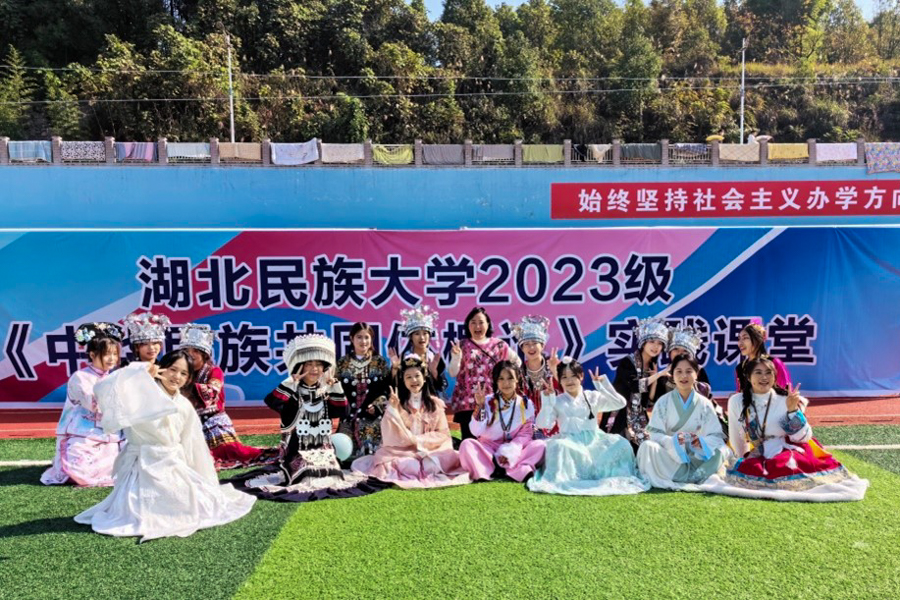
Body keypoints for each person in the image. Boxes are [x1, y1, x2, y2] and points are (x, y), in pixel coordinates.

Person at [74, 350, 256, 541]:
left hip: (173, 467)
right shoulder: (140, 394)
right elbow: (105, 387)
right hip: (140, 469)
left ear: (189, 379)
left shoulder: (184, 405)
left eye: (183, 373)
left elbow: (192, 444)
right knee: (136, 513)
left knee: (197, 506)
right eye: (172, 369)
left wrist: (198, 476)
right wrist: (140, 371)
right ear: (161, 369)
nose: (176, 377)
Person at [231, 334, 386, 501]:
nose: (314, 369)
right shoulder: (293, 392)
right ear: (300, 367)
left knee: (332, 473)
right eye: (309, 364)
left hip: (324, 448)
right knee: (308, 473)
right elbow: (272, 402)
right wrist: (291, 381)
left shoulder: (325, 392)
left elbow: (343, 412)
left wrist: (335, 386)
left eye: (318, 365)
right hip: (298, 450)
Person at [700, 357, 868, 501]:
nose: (764, 377)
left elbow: (802, 437)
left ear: (775, 376)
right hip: (759, 451)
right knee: (743, 470)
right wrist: (740, 460)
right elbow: (737, 435)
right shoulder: (737, 401)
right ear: (748, 377)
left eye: (768, 373)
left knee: (783, 466)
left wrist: (792, 411)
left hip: (788, 449)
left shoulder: (785, 399)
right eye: (758, 372)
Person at [527, 358, 649, 496]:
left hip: (594, 440)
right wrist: (547, 401)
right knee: (559, 446)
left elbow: (620, 403)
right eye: (564, 377)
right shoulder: (558, 401)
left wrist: (602, 385)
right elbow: (543, 424)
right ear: (559, 380)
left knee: (622, 444)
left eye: (573, 376)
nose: (569, 381)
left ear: (581, 376)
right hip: (569, 441)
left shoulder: (592, 396)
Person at [352, 355, 470, 489]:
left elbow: (443, 434)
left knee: (431, 464)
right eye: (408, 377)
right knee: (409, 465)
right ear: (403, 381)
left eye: (417, 376)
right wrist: (393, 409)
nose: (414, 380)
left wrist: (419, 441)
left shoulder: (435, 404)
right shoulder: (399, 403)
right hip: (404, 451)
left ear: (424, 378)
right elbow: (390, 433)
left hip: (431, 450)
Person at [178, 323, 277, 470]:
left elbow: (212, 393)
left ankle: (268, 454)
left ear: (204, 354)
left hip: (213, 422)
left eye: (195, 351)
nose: (190, 354)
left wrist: (187, 384)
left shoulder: (214, 371)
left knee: (229, 451)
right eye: (186, 351)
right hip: (190, 422)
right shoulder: (180, 372)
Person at [41, 322, 125, 487]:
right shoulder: (80, 377)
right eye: (107, 354)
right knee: (80, 471)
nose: (112, 359)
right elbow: (94, 404)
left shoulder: (114, 376)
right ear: (92, 355)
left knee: (123, 465)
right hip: (82, 434)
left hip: (110, 435)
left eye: (115, 354)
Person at [636, 354, 729, 491]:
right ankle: (682, 476)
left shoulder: (704, 403)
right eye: (679, 371)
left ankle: (695, 476)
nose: (683, 376)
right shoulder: (663, 402)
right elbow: (654, 433)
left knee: (722, 449)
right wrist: (673, 441)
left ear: (696, 374)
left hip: (695, 455)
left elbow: (715, 435)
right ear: (672, 375)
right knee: (647, 446)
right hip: (670, 456)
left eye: (688, 371)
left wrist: (701, 442)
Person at [459, 361, 546, 482]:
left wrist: (511, 450)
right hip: (488, 449)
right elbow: (475, 432)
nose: (506, 383)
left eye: (510, 378)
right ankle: (492, 468)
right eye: (501, 379)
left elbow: (526, 434)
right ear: (496, 381)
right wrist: (480, 406)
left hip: (515, 449)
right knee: (467, 444)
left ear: (517, 379)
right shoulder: (487, 401)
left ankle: (511, 468)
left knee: (540, 445)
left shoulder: (526, 404)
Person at [448, 307, 520, 441]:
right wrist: (456, 357)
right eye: (473, 322)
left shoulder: (499, 345)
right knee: (470, 441)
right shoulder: (461, 345)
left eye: (481, 322)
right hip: (467, 402)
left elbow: (517, 363)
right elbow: (452, 372)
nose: (477, 326)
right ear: (468, 325)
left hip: (493, 401)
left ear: (488, 324)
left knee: (491, 440)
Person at [605, 317, 670, 450]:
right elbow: (635, 386)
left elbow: (650, 401)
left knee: (650, 448)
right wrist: (659, 374)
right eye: (652, 341)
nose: (655, 347)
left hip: (640, 417)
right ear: (643, 343)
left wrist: (655, 380)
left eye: (659, 343)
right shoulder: (627, 362)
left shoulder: (652, 366)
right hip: (620, 415)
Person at [335, 322, 392, 460]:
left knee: (372, 454)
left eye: (367, 337)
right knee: (343, 454)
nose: (363, 341)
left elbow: (387, 389)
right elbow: (337, 390)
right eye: (359, 337)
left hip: (372, 417)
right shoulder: (342, 363)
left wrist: (377, 406)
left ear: (371, 339)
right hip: (348, 417)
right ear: (351, 338)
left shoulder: (379, 362)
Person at [512, 315, 561, 438]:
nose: (531, 347)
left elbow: (569, 392)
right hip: (526, 427)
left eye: (535, 343)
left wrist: (556, 371)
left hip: (555, 424)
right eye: (526, 344)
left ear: (542, 345)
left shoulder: (553, 366)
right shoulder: (518, 372)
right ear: (522, 348)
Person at [390, 305, 447, 395]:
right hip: (408, 400)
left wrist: (434, 373)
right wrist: (395, 369)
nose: (422, 337)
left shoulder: (435, 359)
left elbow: (442, 387)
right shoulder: (404, 358)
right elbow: (395, 386)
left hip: (430, 401)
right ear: (411, 337)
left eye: (425, 333)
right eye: (417, 334)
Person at [735, 319, 790, 393]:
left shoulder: (773, 363)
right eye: (739, 339)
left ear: (758, 339)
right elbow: (740, 394)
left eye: (745, 338)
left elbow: (785, 392)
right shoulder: (740, 367)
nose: (740, 343)